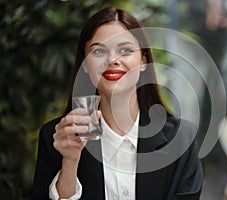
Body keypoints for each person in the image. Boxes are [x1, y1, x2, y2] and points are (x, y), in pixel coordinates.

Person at [33, 7, 203, 200]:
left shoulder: (180, 139)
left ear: (143, 61)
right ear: (85, 64)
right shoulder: (56, 138)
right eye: (98, 51)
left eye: (125, 50)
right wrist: (70, 161)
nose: (112, 60)